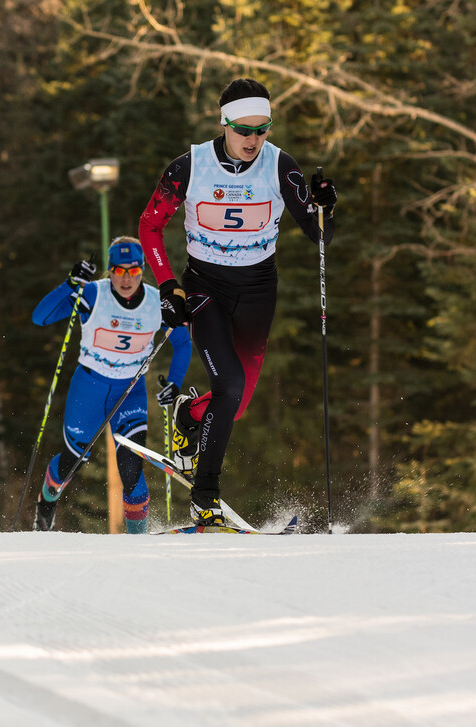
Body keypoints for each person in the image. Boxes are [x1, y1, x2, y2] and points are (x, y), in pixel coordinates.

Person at [138, 77, 338, 526]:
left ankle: (190, 419)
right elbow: (150, 225)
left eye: (262, 129)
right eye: (243, 130)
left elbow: (317, 231)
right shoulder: (188, 166)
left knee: (237, 403)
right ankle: (205, 495)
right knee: (228, 385)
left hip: (258, 290)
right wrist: (169, 286)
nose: (253, 140)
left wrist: (325, 206)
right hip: (205, 288)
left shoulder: (279, 165)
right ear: (223, 122)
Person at [31, 238, 192, 533]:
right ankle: (45, 505)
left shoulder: (158, 302)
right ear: (109, 271)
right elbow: (39, 317)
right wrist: (69, 284)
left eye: (133, 270)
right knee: (72, 462)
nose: (126, 278)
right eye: (119, 270)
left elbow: (182, 344)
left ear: (143, 269)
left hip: (130, 393)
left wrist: (174, 383)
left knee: (131, 469)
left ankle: (137, 542)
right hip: (89, 388)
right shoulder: (92, 294)